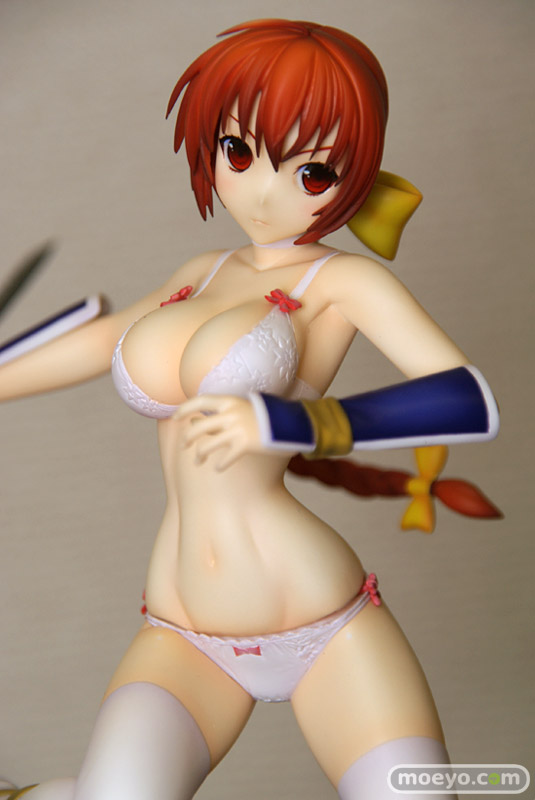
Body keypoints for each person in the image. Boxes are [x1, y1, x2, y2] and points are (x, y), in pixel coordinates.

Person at [1, 19, 498, 800]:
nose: (264, 192)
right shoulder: (202, 270)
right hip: (182, 633)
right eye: (238, 152)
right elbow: (101, 339)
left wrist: (289, 423)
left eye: (311, 171)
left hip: (324, 628)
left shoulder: (342, 283)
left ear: (356, 171)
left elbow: (464, 397)